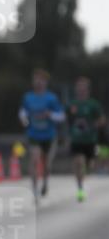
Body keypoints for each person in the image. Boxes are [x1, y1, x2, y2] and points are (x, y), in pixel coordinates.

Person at [18, 69, 65, 202]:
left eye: (41, 80)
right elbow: (22, 113)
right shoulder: (28, 97)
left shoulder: (52, 98)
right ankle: (34, 190)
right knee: (34, 159)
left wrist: (50, 114)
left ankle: (45, 182)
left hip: (49, 136)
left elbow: (61, 116)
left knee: (46, 164)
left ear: (45, 82)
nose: (38, 82)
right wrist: (24, 121)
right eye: (36, 79)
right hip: (34, 134)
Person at [66, 76, 105, 202]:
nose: (81, 90)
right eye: (79, 87)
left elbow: (102, 120)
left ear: (87, 89)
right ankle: (80, 188)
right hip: (76, 140)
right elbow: (66, 120)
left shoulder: (93, 104)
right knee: (78, 162)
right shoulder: (72, 104)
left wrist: (93, 125)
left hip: (90, 140)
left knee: (89, 166)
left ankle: (83, 178)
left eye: (83, 87)